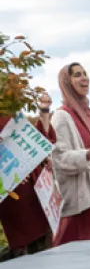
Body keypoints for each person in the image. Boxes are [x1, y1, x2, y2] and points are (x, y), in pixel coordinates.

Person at [51, 62, 90, 246]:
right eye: (77, 75)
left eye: (85, 73)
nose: (84, 78)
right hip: (82, 199)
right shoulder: (61, 116)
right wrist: (86, 156)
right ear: (67, 82)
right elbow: (59, 158)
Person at [0, 90, 56, 258]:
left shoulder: (9, 109)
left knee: (45, 248)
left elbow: (34, 140)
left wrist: (43, 157)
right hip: (15, 196)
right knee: (26, 254)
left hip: (37, 193)